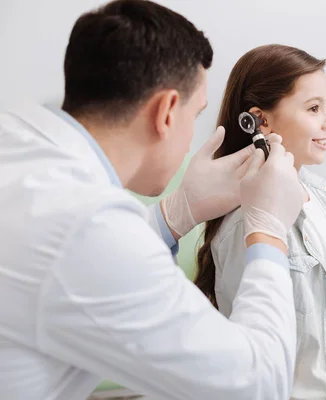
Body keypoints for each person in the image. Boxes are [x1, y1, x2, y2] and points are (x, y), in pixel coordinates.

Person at [0, 1, 305, 400]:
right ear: (165, 112)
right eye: (195, 116)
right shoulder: (86, 225)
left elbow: (77, 265)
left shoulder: (19, 138)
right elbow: (257, 384)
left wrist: (176, 213)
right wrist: (267, 232)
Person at [195, 44, 326, 400]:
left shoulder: (320, 197)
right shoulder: (248, 221)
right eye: (313, 108)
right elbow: (253, 359)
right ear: (261, 121)